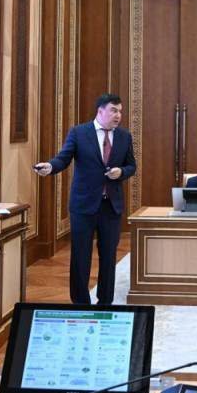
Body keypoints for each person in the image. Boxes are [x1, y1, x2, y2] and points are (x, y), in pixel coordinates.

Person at [34, 93, 136, 305]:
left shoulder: (124, 137)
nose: (118, 115)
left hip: (111, 206)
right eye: (113, 110)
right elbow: (63, 158)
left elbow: (131, 166)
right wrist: (50, 167)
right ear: (100, 111)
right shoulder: (79, 133)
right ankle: (80, 303)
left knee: (108, 257)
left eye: (120, 111)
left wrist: (121, 172)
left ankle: (105, 302)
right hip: (83, 206)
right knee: (81, 256)